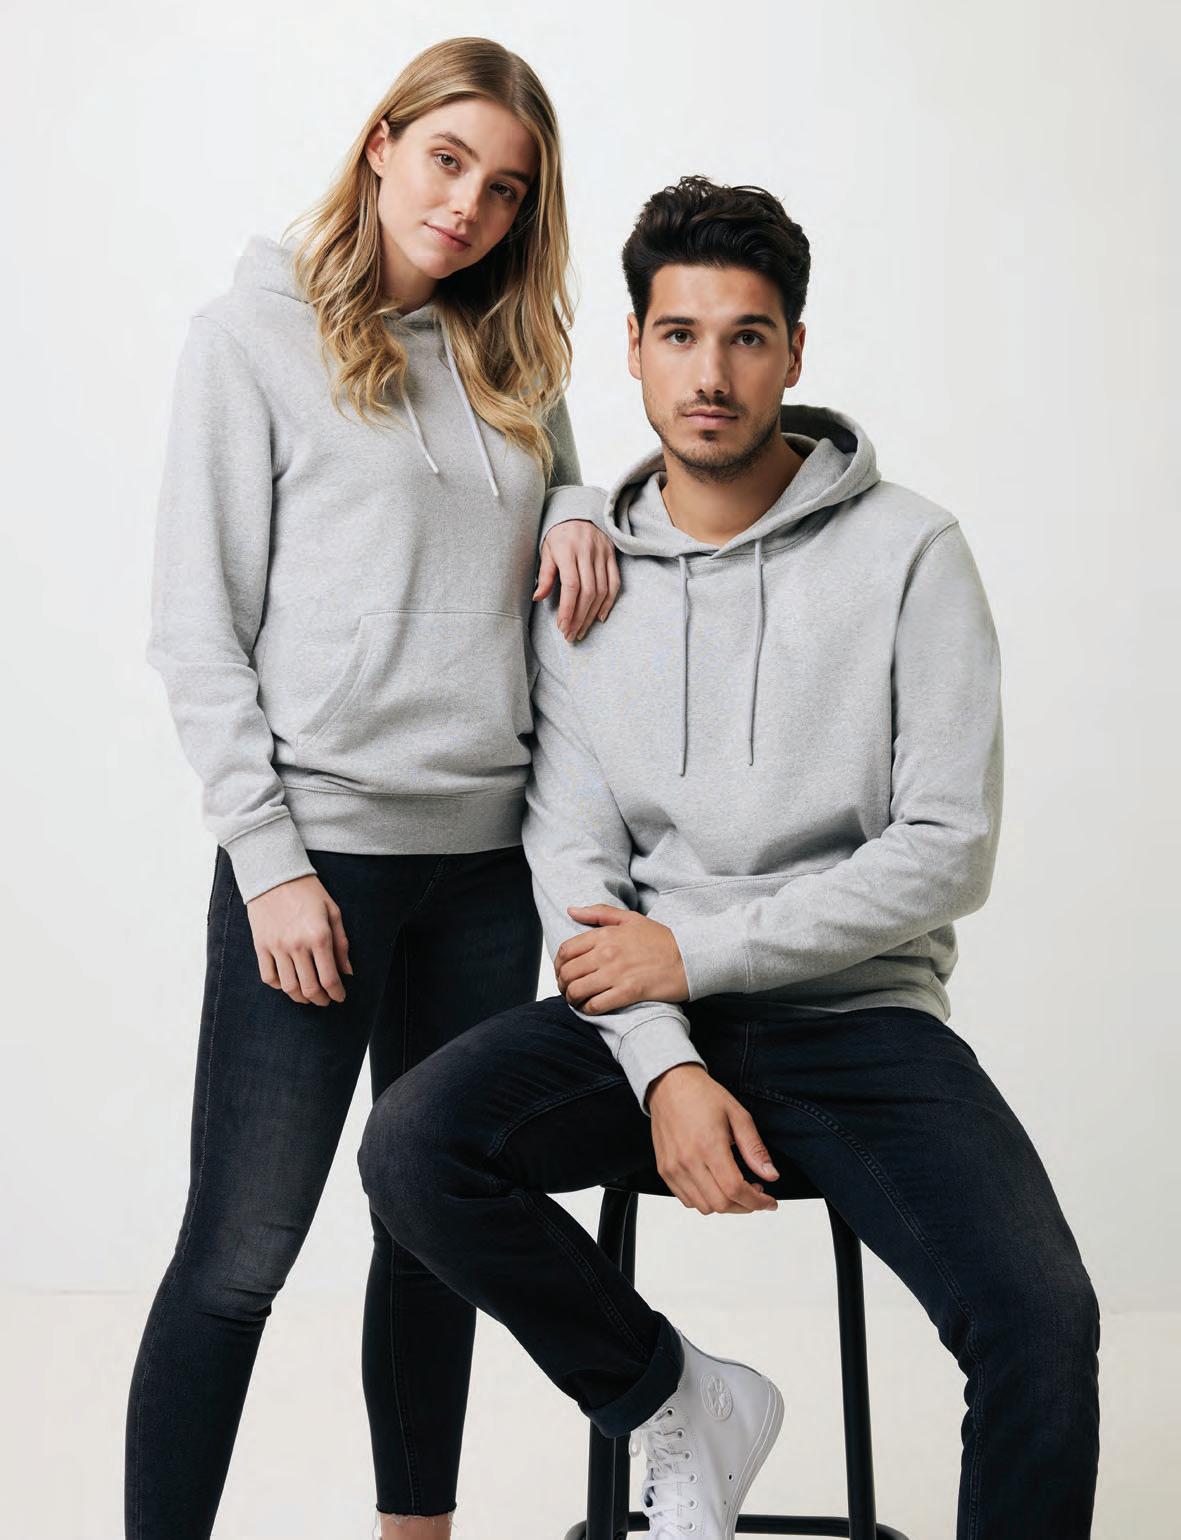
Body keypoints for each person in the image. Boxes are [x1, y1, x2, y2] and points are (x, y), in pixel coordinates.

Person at [357, 176, 1102, 1539]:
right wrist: (667, 1063)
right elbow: (575, 864)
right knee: (413, 1145)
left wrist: (695, 954)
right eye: (681, 335)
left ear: (794, 354)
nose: (711, 374)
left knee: (1042, 1328)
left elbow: (947, 851)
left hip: (860, 1022)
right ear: (634, 351)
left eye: (747, 337)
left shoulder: (912, 553)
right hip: (644, 1022)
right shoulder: (585, 579)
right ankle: (674, 1397)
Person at [126, 36, 620, 1540]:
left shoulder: (512, 356)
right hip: (319, 866)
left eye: (506, 188)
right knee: (239, 1255)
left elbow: (558, 492)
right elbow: (195, 626)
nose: (468, 204)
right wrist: (267, 862)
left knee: (427, 1234)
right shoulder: (249, 339)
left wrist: (581, 501)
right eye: (448, 159)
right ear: (383, 144)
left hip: (484, 868)